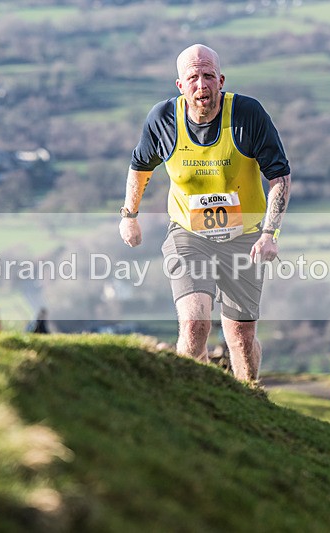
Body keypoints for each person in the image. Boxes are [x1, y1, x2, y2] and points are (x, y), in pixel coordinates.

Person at [119, 44, 291, 384]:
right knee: (195, 323)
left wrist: (270, 234)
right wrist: (129, 214)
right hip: (188, 233)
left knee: (240, 336)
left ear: (221, 80)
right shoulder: (163, 120)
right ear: (180, 86)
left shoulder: (248, 115)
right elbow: (140, 165)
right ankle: (190, 395)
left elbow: (280, 178)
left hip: (245, 236)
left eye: (209, 76)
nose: (202, 85)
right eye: (193, 78)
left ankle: (250, 395)